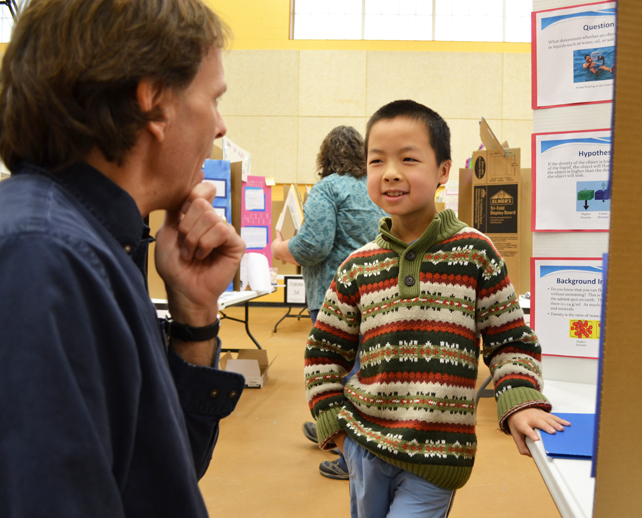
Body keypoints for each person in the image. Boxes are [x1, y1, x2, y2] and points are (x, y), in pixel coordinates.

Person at [0, 1, 247, 516]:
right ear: (155, 101)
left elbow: (150, 474)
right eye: (214, 98)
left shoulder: (94, 244)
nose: (220, 127)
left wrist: (195, 317)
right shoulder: (45, 258)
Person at [303, 100, 570, 518]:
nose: (391, 171)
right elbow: (323, 354)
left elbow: (510, 340)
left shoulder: (476, 253)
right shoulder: (357, 266)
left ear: (443, 170)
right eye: (377, 161)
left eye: (408, 159)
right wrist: (336, 427)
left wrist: (521, 399)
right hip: (364, 447)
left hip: (439, 454)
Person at [272, 125, 386, 480]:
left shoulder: (327, 188)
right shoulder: (375, 188)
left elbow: (312, 247)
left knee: (336, 375)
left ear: (326, 156)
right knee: (362, 374)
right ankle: (333, 428)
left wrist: (278, 248)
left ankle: (351, 458)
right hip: (376, 295)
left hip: (334, 296)